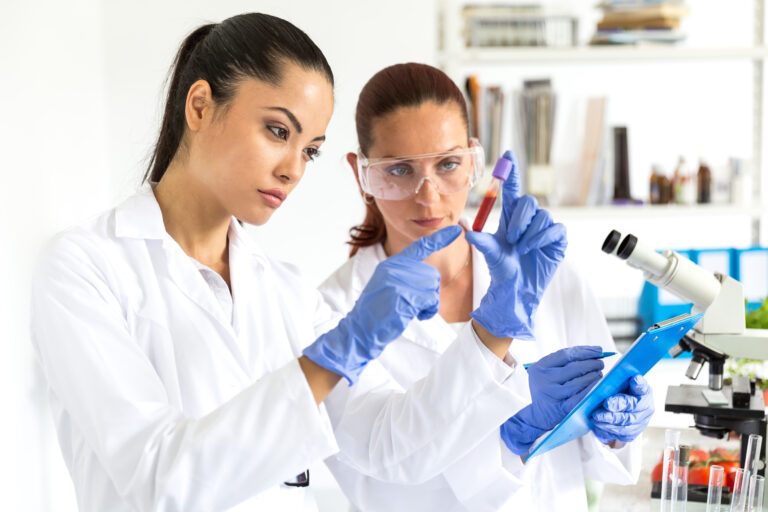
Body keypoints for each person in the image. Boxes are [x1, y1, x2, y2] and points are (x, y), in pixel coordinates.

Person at [29, 15, 467, 511]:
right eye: (278, 130)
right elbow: (157, 478)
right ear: (199, 106)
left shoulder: (286, 292)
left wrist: (490, 342)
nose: (293, 170)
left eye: (311, 151)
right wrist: (333, 356)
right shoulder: (84, 269)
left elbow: (390, 444)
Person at [319, 62, 655, 511]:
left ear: (475, 160)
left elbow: (603, 451)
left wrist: (615, 428)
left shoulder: (547, 275)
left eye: (448, 164)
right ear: (361, 173)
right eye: (399, 170)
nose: (428, 193)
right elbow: (377, 484)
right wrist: (511, 435)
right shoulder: (332, 313)